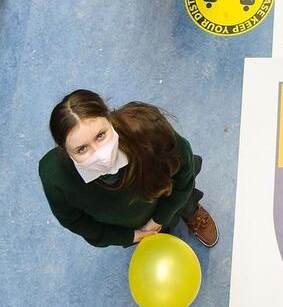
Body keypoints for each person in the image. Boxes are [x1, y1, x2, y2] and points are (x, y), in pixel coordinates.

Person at [39, 89, 219, 249]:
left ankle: (191, 211)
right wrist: (130, 236)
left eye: (101, 135)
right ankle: (158, 237)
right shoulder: (55, 178)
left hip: (165, 193)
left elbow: (183, 175)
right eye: (82, 149)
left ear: (109, 118)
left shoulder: (147, 129)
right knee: (157, 237)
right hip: (130, 224)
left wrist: (159, 219)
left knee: (183, 201)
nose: (101, 156)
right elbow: (77, 222)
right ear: (65, 150)